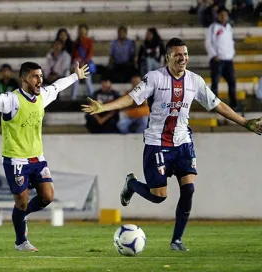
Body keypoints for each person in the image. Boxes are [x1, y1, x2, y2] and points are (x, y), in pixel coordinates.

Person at [82, 38, 262, 251]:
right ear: (167, 57)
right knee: (159, 197)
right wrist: (104, 107)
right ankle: (131, 184)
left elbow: (217, 104)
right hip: (157, 143)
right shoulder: (155, 78)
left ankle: (176, 240)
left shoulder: (195, 81)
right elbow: (132, 98)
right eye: (178, 54)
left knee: (189, 189)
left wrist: (243, 122)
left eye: (185, 54)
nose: (183, 58)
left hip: (183, 142)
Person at [0, 62, 90, 251]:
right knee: (22, 201)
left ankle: (22, 215)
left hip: (37, 158)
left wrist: (76, 76)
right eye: (35, 76)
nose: (40, 81)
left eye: (41, 76)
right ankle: (21, 242)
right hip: (15, 159)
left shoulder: (42, 96)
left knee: (48, 196)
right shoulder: (12, 100)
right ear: (24, 78)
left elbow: (57, 86)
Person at [205, 7, 239, 111]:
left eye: (225, 15)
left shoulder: (229, 27)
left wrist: (232, 54)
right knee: (215, 83)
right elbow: (208, 43)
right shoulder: (213, 27)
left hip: (228, 60)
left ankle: (234, 104)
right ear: (218, 15)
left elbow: (231, 42)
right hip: (217, 60)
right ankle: (214, 106)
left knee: (232, 82)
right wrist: (214, 56)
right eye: (222, 14)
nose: (224, 16)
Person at [71, 24, 95, 100]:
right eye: (80, 29)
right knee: (75, 81)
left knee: (88, 81)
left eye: (83, 29)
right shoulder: (76, 42)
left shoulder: (89, 41)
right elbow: (73, 54)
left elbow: (90, 53)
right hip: (77, 64)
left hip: (86, 64)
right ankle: (73, 98)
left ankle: (93, 97)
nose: (81, 31)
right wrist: (73, 62)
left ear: (86, 31)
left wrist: (84, 61)